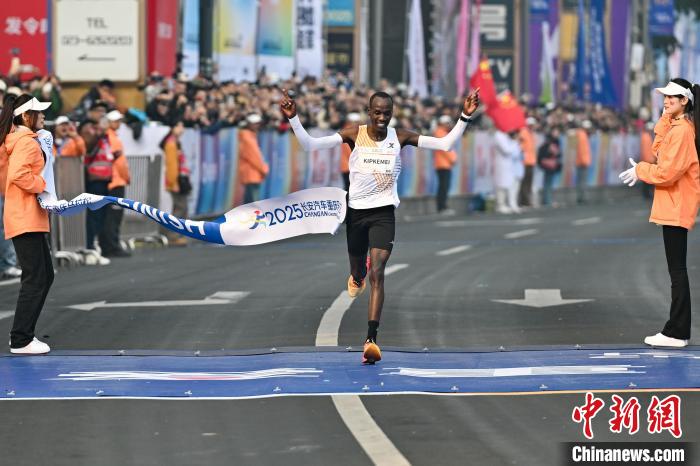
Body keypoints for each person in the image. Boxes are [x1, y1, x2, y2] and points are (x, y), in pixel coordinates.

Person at [280, 87, 480, 363]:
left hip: (383, 214)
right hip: (356, 214)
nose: (382, 118)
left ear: (392, 114)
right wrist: (293, 118)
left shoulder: (401, 137)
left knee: (378, 273)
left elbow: (444, 144)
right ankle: (356, 274)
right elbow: (310, 145)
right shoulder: (354, 134)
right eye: (377, 113)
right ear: (369, 112)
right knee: (359, 272)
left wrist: (465, 116)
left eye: (387, 113)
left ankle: (371, 339)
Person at [619, 78, 700, 348]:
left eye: (672, 97)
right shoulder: (677, 127)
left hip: (677, 204)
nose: (666, 101)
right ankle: (677, 330)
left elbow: (666, 172)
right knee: (676, 270)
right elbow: (658, 152)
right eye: (665, 97)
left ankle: (677, 331)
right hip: (674, 204)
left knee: (677, 271)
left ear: (685, 101)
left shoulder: (683, 131)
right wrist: (666, 117)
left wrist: (640, 170)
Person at [0, 93, 54, 354]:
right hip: (26, 216)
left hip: (25, 215)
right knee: (36, 277)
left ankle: (22, 336)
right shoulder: (26, 142)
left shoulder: (18, 140)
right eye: (38, 112)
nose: (43, 115)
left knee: (44, 275)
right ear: (25, 116)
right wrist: (43, 185)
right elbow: (19, 175)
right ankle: (21, 338)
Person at [82, 119, 114, 264]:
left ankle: (94, 247)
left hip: (104, 181)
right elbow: (89, 150)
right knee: (94, 217)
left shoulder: (104, 139)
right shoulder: (93, 138)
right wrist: (98, 134)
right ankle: (90, 248)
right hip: (95, 182)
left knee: (100, 217)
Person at [100, 110, 131, 257]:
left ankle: (108, 246)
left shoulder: (107, 137)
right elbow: (120, 163)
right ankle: (112, 246)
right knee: (114, 216)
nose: (118, 123)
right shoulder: (113, 138)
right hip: (116, 182)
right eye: (115, 121)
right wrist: (126, 177)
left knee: (108, 216)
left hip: (109, 181)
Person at [162, 121, 190, 246]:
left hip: (180, 179)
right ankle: (173, 236)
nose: (182, 129)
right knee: (180, 208)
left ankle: (178, 234)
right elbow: (172, 166)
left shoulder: (175, 142)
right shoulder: (171, 143)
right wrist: (174, 183)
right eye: (179, 126)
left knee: (181, 208)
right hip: (176, 181)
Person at [237, 114, 269, 204]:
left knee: (249, 202)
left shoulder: (249, 136)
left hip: (251, 174)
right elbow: (255, 158)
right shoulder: (248, 138)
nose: (257, 125)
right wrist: (264, 169)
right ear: (249, 124)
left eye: (258, 123)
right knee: (253, 203)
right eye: (255, 123)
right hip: (252, 174)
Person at [433, 115, 458, 214]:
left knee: (444, 186)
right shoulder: (440, 133)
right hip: (443, 164)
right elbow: (446, 149)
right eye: (447, 123)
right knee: (443, 187)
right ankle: (442, 207)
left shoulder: (441, 133)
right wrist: (453, 159)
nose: (449, 125)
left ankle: (442, 206)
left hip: (444, 164)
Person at [537, 127, 562, 207]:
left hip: (551, 164)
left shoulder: (555, 141)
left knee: (549, 183)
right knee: (548, 183)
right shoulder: (550, 142)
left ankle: (547, 200)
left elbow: (558, 154)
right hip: (548, 164)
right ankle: (547, 200)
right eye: (555, 132)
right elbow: (552, 153)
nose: (557, 134)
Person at [518, 118, 537, 207]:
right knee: (524, 183)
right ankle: (524, 201)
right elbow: (521, 146)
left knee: (528, 182)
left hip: (531, 161)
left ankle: (526, 200)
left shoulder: (531, 134)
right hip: (525, 162)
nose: (532, 126)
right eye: (531, 125)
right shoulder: (523, 133)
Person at [340, 113, 361, 192]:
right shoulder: (348, 132)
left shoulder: (348, 131)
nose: (356, 124)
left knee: (350, 187)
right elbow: (349, 150)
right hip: (349, 165)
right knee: (350, 187)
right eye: (355, 122)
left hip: (348, 165)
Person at [575, 120, 593, 204]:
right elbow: (582, 151)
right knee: (583, 181)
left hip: (580, 161)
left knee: (580, 181)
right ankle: (582, 198)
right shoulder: (583, 136)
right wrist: (584, 161)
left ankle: (581, 197)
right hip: (583, 162)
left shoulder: (581, 135)